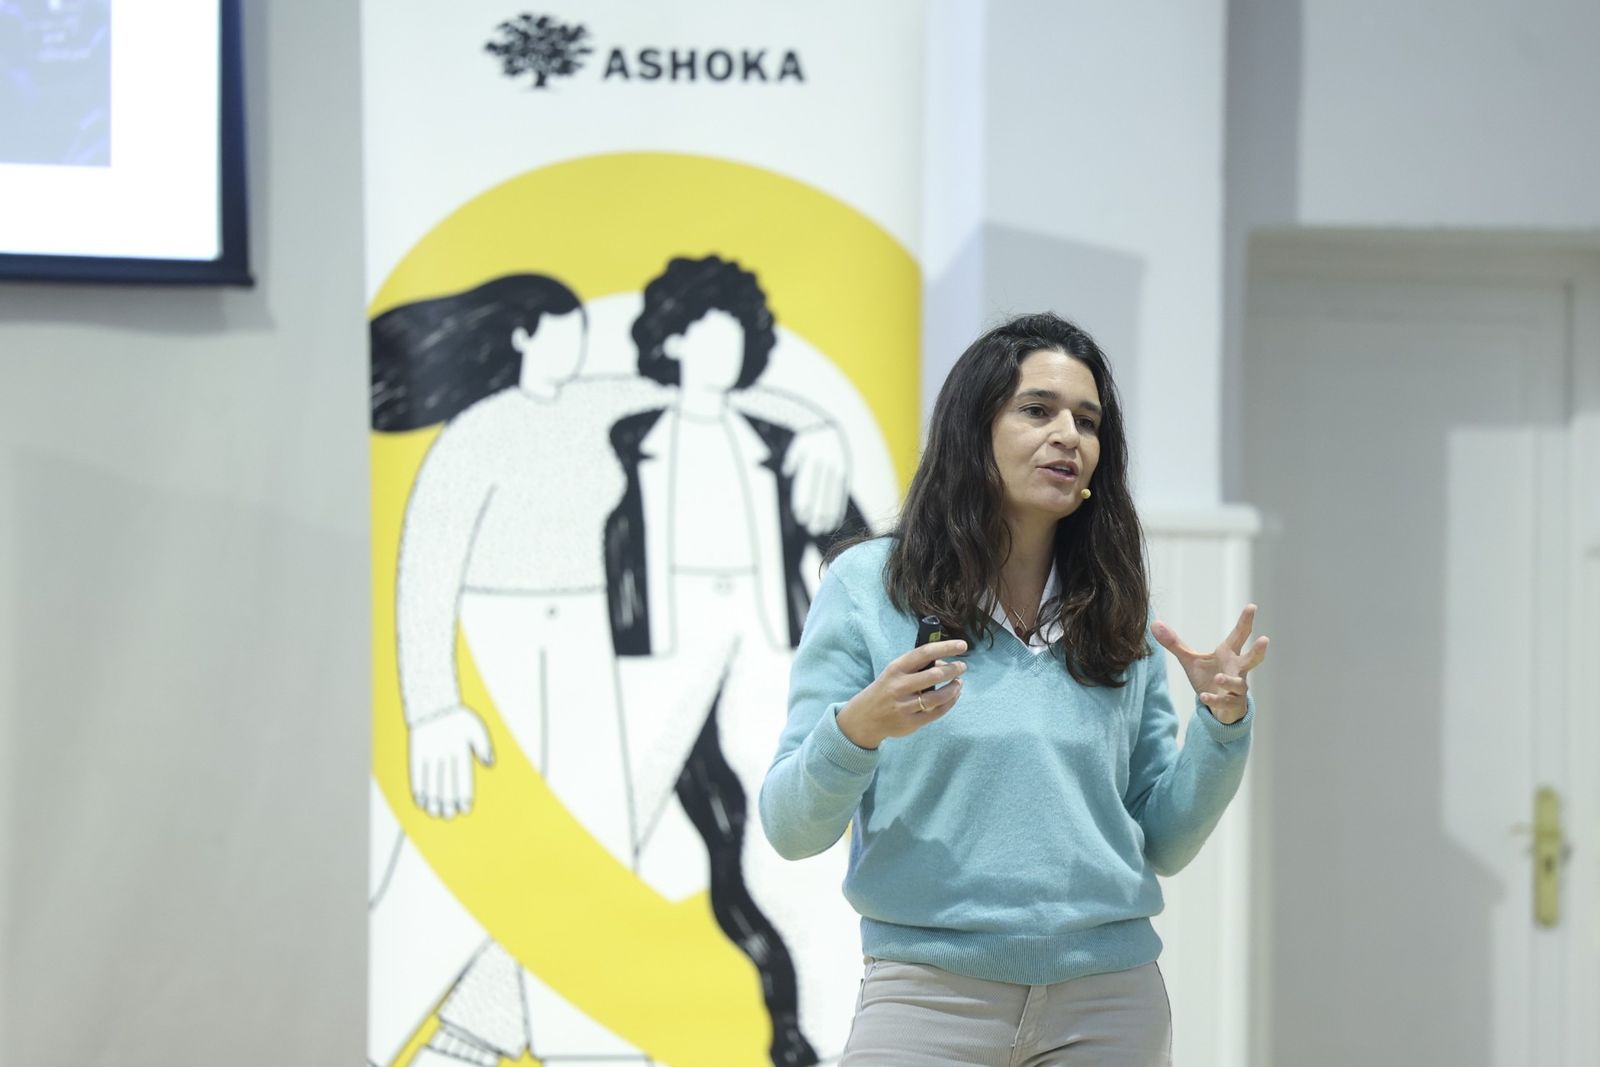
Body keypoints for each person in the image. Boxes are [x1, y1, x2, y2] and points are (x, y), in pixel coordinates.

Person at [366, 271, 851, 1067]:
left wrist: (823, 431)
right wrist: (431, 707)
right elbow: (426, 562)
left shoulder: (645, 412)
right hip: (592, 659)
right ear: (524, 335)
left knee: (767, 855)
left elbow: (757, 412)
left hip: (719, 656)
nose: (582, 343)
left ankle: (825, 1042)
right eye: (564, 326)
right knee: (578, 852)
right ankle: (474, 1038)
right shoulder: (520, 430)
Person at [759, 312, 1270, 1066]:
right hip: (927, 997)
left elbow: (1161, 840)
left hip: (1110, 1004)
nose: (1068, 434)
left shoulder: (1120, 609)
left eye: (1087, 421)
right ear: (975, 430)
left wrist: (1222, 726)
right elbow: (789, 826)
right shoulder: (869, 587)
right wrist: (859, 726)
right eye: (1038, 409)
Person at [606, 254, 872, 1063]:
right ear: (673, 339)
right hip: (659, 669)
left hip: (763, 660)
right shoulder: (625, 440)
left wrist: (820, 437)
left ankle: (801, 1032)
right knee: (657, 846)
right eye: (703, 332)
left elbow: (861, 555)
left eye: (734, 335)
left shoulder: (783, 446)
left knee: (770, 854)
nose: (720, 350)